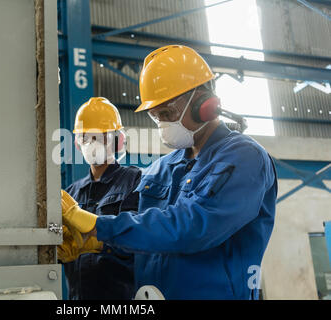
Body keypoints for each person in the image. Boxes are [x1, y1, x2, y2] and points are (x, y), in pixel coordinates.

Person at [61, 45, 278, 300]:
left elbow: (193, 226)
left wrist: (100, 227)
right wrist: (96, 245)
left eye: (168, 113)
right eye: (156, 117)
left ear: (203, 104)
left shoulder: (243, 157)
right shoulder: (160, 169)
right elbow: (148, 238)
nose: (164, 125)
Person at [58, 97, 142, 300]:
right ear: (78, 144)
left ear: (117, 141)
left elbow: (138, 239)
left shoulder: (135, 181)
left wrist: (99, 243)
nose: (91, 144)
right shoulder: (71, 193)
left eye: (100, 137)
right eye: (86, 137)